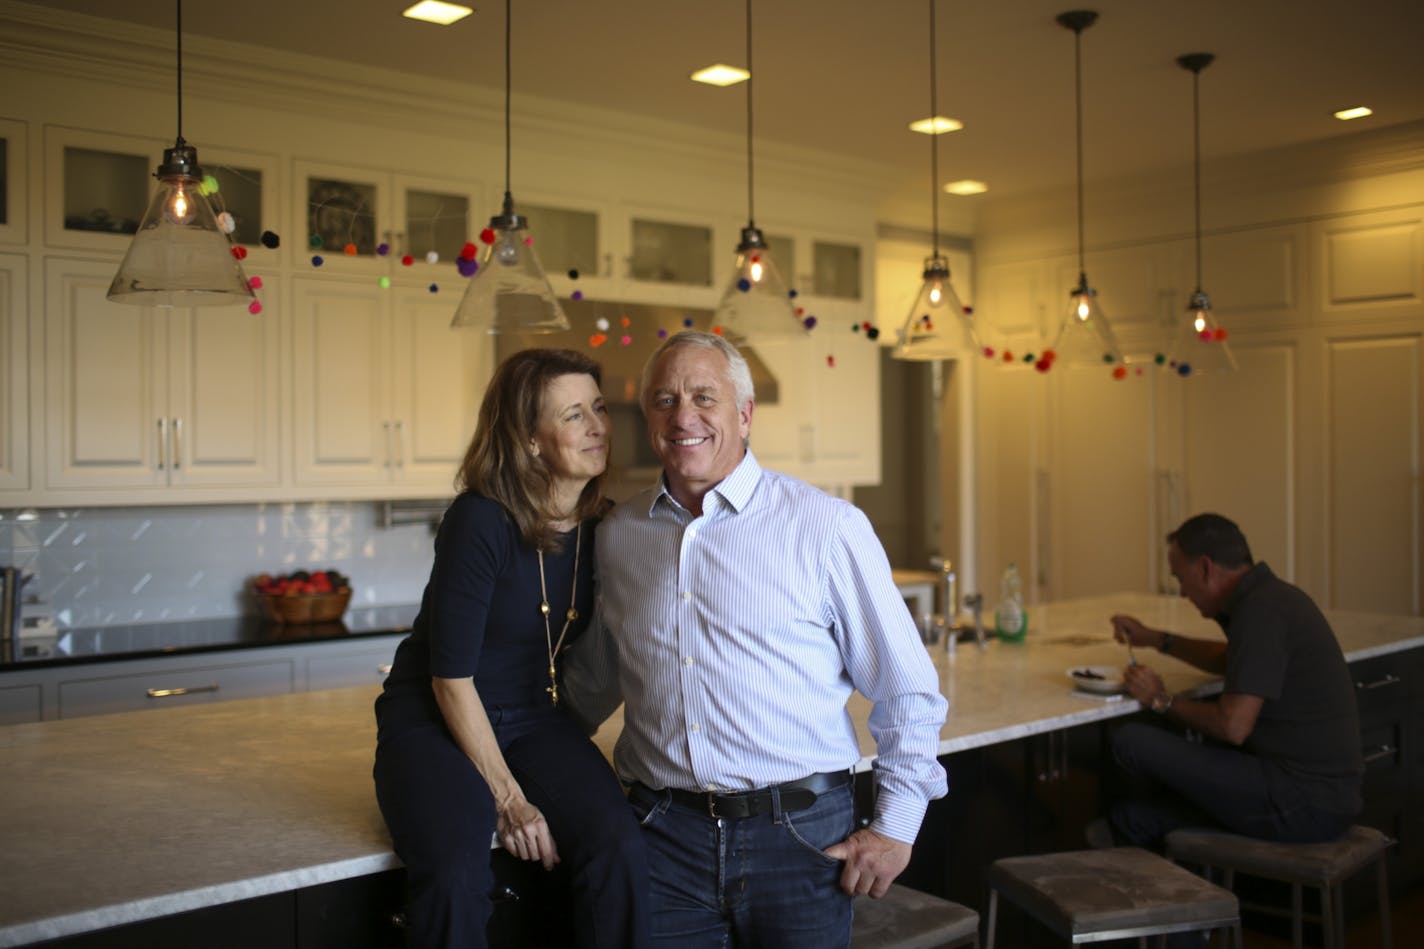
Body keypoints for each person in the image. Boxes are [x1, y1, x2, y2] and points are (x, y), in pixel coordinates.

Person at [563, 330, 948, 948]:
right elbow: (597, 680)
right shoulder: (619, 535)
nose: (682, 415)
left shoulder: (826, 528)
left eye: (703, 397)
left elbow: (908, 693)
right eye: (663, 400)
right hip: (660, 837)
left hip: (801, 838)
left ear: (744, 414)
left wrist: (896, 827)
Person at [372, 348, 649, 949]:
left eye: (598, 408)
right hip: (434, 718)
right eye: (573, 414)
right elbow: (450, 679)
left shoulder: (604, 529)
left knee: (620, 845)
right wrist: (510, 798)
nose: (598, 425)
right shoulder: (480, 521)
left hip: (533, 716)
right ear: (528, 439)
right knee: (452, 870)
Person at [1105, 512, 1362, 850]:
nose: (1182, 592)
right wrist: (1157, 639)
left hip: (1302, 802)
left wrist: (1159, 700)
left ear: (1206, 569)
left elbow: (1233, 726)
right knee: (1136, 815)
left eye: (1180, 578)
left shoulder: (1260, 612)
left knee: (1131, 741)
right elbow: (1230, 661)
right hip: (1324, 795)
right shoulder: (1272, 598)